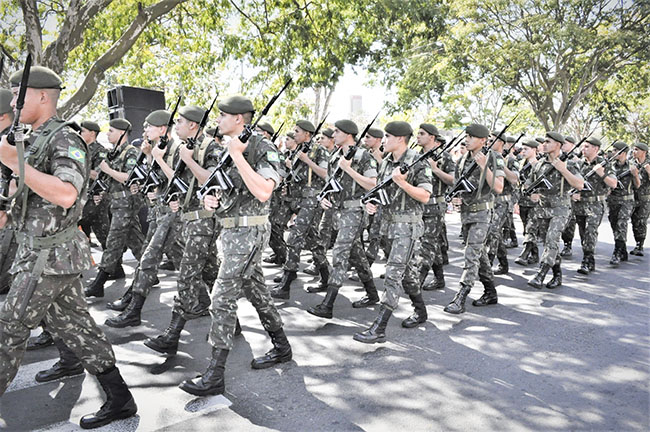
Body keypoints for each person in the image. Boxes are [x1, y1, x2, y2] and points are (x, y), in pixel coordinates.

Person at [0, 64, 136, 429]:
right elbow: (25, 195)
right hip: (41, 254)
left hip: (49, 257)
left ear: (43, 97)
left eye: (18, 95)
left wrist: (17, 162)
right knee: (77, 327)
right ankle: (121, 398)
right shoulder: (33, 137)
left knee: (8, 329)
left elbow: (66, 193)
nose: (13, 102)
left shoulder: (65, 139)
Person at [179, 95, 292, 396]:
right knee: (257, 291)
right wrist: (210, 199)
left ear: (239, 118)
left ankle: (215, 373)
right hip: (231, 233)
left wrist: (239, 155)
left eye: (222, 115)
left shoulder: (259, 147)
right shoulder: (229, 149)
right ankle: (282, 346)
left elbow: (265, 191)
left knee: (221, 297)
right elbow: (222, 188)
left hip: (249, 232)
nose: (217, 120)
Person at [353, 121, 432, 343]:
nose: (383, 140)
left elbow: (425, 195)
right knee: (406, 274)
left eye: (387, 136)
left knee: (393, 274)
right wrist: (373, 204)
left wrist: (403, 183)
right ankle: (421, 310)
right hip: (388, 225)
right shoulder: (386, 162)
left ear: (399, 139)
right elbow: (383, 191)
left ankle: (379, 328)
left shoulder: (417, 161)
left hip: (407, 227)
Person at [306, 119, 379, 318]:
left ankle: (328, 304)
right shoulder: (334, 156)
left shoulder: (364, 156)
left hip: (355, 211)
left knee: (339, 253)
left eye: (337, 131)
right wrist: (324, 198)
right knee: (357, 255)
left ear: (348, 134)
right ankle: (372, 294)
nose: (333, 134)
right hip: (338, 212)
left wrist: (348, 168)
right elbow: (330, 183)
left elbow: (372, 184)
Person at [443, 124, 505, 314]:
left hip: (483, 214)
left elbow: (499, 187)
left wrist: (483, 165)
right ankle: (490, 291)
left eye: (471, 137)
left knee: (471, 254)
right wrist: (455, 197)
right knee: (479, 254)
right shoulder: (462, 160)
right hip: (466, 213)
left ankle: (461, 295)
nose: (466, 139)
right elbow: (457, 185)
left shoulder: (495, 158)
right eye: (467, 136)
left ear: (483, 141)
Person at [85, 118, 145, 297]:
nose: (107, 134)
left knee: (113, 241)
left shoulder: (131, 152)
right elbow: (109, 181)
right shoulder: (114, 153)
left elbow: (128, 177)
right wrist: (101, 193)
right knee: (136, 241)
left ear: (121, 133)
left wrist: (108, 170)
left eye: (111, 131)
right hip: (116, 203)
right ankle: (150, 272)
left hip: (126, 203)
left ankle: (99, 283)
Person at [271, 119, 329, 299]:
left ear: (307, 134)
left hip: (310, 199)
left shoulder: (319, 151)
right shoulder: (295, 150)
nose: (293, 134)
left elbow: (325, 174)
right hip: (293, 197)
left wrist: (307, 161)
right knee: (278, 226)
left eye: (297, 131)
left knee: (295, 236)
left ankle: (286, 283)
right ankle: (327, 275)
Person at [524, 132, 583, 289]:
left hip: (561, 208)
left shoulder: (569, 164)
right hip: (543, 209)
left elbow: (579, 184)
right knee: (549, 243)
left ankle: (540, 274)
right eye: (543, 142)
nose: (543, 144)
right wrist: (532, 193)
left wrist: (563, 170)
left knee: (552, 239)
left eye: (548, 142)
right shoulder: (538, 164)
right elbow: (528, 183)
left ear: (558, 144)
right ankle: (557, 275)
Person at [414, 123, 454, 291]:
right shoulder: (415, 156)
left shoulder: (444, 157)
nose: (418, 136)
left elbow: (453, 180)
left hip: (435, 207)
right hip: (420, 207)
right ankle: (439, 279)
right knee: (433, 244)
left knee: (426, 246)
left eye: (422, 133)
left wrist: (435, 170)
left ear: (432, 137)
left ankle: (417, 282)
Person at [572, 137, 616, 274]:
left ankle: (586, 259)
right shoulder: (579, 164)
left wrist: (601, 173)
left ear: (595, 149)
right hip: (580, 204)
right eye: (583, 147)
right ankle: (590, 260)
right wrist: (574, 193)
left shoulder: (605, 165)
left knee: (591, 231)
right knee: (583, 233)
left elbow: (613, 184)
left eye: (586, 147)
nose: (583, 149)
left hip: (595, 204)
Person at [606, 141, 634, 265]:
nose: (612, 152)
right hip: (613, 200)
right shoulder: (610, 166)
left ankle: (616, 252)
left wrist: (636, 175)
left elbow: (637, 185)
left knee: (622, 223)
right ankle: (622, 249)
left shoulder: (632, 166)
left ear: (622, 153)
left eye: (615, 150)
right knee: (614, 225)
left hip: (627, 200)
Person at [630, 142, 650, 256]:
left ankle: (640, 245)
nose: (634, 152)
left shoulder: (649, 164)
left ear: (644, 152)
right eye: (633, 149)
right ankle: (637, 242)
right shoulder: (632, 163)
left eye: (636, 150)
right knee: (634, 221)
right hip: (633, 197)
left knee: (641, 221)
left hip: (645, 198)